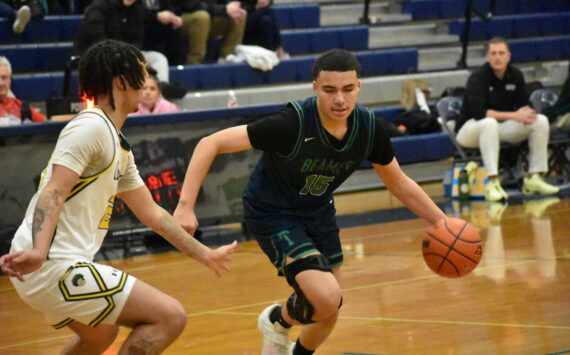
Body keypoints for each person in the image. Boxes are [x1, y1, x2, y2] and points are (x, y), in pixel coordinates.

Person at [173, 48, 447, 355]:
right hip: (272, 212)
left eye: (347, 89)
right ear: (315, 88)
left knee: (329, 309)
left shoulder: (369, 129)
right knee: (326, 298)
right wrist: (185, 205)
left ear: (359, 87)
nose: (339, 99)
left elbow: (398, 181)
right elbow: (210, 143)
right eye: (329, 90)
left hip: (318, 213)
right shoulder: (292, 124)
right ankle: (277, 320)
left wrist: (441, 221)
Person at [0, 40, 237, 354]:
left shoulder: (116, 142)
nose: (146, 80)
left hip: (44, 266)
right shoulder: (90, 126)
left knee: (101, 335)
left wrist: (204, 254)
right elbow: (54, 191)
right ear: (122, 82)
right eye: (140, 73)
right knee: (170, 317)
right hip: (50, 264)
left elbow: (152, 214)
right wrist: (40, 251)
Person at [455, 37, 560, 202]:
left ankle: (534, 177)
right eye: (493, 53)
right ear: (488, 57)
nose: (497, 57)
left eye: (501, 53)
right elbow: (479, 113)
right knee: (489, 123)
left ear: (508, 56)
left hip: (498, 129)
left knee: (540, 121)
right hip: (470, 130)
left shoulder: (515, 75)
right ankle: (492, 182)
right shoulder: (478, 77)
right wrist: (514, 115)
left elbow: (524, 105)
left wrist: (526, 113)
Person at [73, 0, 171, 84]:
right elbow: (95, 37)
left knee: (158, 58)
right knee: (113, 64)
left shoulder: (137, 10)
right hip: (98, 55)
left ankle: (161, 91)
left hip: (126, 56)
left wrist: (128, 55)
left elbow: (137, 41)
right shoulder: (100, 6)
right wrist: (118, 55)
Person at [172, 0, 246, 64]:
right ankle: (194, 62)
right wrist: (224, 9)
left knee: (238, 15)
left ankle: (227, 58)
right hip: (178, 19)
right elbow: (191, 5)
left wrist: (233, 7)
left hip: (209, 17)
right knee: (202, 17)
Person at [0, 56, 46, 126]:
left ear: (10, 80)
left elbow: (46, 125)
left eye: (4, 77)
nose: (1, 83)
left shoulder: (22, 107)